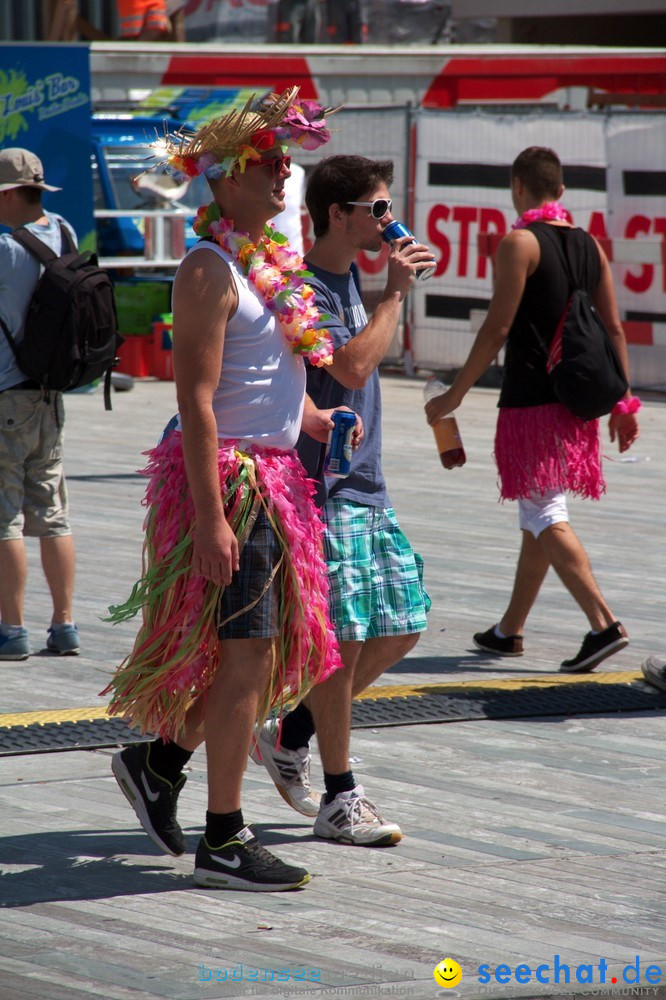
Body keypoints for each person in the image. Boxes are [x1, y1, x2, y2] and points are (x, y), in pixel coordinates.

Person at [105, 89, 344, 891]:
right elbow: (197, 400)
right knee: (246, 658)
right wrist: (210, 518)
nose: (284, 176)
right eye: (269, 164)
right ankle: (223, 837)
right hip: (232, 483)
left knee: (262, 658)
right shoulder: (208, 267)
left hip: (276, 478)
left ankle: (159, 762)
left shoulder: (265, 260)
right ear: (226, 181)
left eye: (284, 163)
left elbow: (262, 375)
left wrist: (308, 416)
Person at [251, 155, 433, 845]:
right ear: (339, 214)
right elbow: (350, 367)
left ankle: (288, 732)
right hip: (321, 487)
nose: (389, 222)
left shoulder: (355, 276)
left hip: (367, 481)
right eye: (378, 210)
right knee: (342, 640)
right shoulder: (307, 287)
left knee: (401, 627)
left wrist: (388, 291)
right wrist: (394, 295)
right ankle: (340, 794)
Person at [425, 146, 639, 673]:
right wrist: (625, 401)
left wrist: (455, 395)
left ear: (518, 188)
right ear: (561, 191)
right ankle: (508, 631)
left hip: (531, 404)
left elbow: (498, 327)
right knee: (537, 514)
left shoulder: (519, 243)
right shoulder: (590, 245)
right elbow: (613, 328)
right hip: (578, 405)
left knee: (544, 512)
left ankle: (603, 624)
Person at [0, 148, 80, 660]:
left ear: (7, 193)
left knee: (5, 518)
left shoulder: (5, 248)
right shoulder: (66, 232)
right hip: (52, 395)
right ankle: (64, 625)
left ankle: (12, 631)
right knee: (52, 514)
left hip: (7, 394)